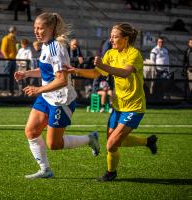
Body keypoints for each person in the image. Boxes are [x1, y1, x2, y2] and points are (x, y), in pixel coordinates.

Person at [14, 12, 100, 179]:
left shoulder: (56, 48)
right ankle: (45, 170)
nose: (37, 32)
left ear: (51, 28)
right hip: (47, 96)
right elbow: (47, 71)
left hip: (61, 100)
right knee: (31, 131)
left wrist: (38, 90)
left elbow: (61, 80)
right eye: (35, 28)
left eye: (40, 28)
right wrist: (27, 74)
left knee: (54, 144)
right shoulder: (46, 45)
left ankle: (90, 139)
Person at [67, 22, 158, 181]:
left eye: (115, 37)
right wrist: (75, 70)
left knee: (111, 144)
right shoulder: (110, 53)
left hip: (134, 107)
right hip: (118, 106)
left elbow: (124, 73)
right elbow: (96, 73)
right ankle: (148, 141)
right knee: (114, 141)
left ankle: (111, 173)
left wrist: (104, 66)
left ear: (126, 38)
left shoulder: (134, 54)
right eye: (111, 36)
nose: (111, 40)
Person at [1, 26, 18, 96]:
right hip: (8, 60)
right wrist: (7, 59)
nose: (15, 33)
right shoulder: (6, 38)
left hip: (13, 60)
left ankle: (11, 91)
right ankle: (4, 90)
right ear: (12, 31)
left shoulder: (14, 39)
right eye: (15, 31)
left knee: (12, 76)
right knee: (6, 75)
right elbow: (3, 50)